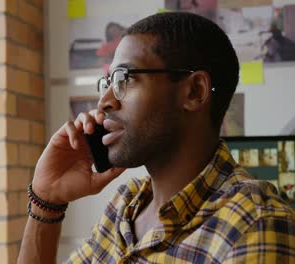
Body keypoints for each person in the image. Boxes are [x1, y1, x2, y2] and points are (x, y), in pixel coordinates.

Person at [18, 12, 294, 263]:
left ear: (194, 92)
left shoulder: (253, 225)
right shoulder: (125, 206)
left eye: (125, 78)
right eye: (109, 82)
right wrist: (47, 200)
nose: (104, 101)